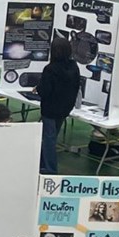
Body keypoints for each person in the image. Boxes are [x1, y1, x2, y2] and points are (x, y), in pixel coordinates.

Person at [34, 36, 81, 175]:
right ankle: (42, 163)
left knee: (49, 139)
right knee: (52, 136)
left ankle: (50, 169)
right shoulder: (74, 66)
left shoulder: (50, 69)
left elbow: (45, 90)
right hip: (65, 108)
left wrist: (38, 87)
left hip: (50, 109)